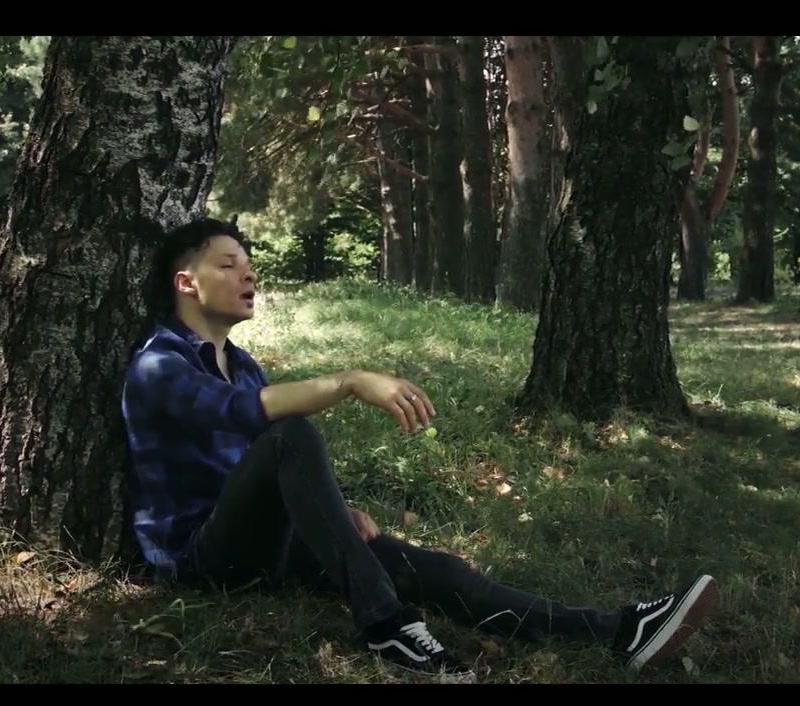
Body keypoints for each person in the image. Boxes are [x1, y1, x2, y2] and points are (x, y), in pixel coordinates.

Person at [121, 217, 718, 682]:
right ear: (187, 282)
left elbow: (265, 466)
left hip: (263, 546)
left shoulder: (242, 364)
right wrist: (350, 381)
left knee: (435, 569)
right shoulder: (158, 364)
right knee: (292, 432)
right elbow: (239, 417)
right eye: (229, 265)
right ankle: (385, 625)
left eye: (251, 265)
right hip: (201, 558)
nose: (249, 276)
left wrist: (334, 510)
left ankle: (620, 632)